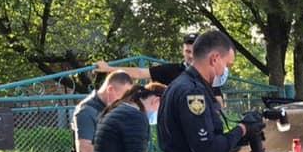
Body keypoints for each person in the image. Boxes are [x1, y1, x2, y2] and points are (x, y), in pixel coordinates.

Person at [95, 33, 225, 106]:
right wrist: (109, 68)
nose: (190, 55)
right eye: (187, 51)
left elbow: (219, 103)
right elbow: (140, 73)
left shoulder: (209, 74)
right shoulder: (171, 70)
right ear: (183, 51)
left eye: (193, 51)